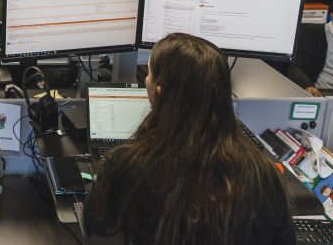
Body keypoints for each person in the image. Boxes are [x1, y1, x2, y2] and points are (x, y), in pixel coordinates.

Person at [85, 33, 295, 244]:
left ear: (158, 92)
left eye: (148, 73)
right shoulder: (262, 173)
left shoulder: (129, 163)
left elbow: (96, 224)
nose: (146, 79)